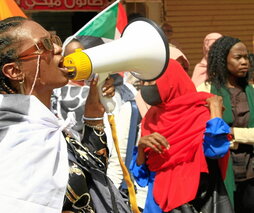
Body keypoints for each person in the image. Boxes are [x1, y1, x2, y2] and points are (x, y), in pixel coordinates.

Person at [0, 16, 131, 213]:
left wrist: (93, 117)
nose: (59, 49)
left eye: (54, 40)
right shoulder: (16, 139)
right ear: (15, 71)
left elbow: (89, 178)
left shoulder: (43, 124)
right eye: (44, 45)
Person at [130, 59, 233, 213]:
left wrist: (216, 111)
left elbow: (216, 151)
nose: (145, 87)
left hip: (193, 203)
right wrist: (141, 148)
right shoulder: (150, 119)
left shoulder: (201, 111)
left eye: (150, 81)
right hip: (156, 205)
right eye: (143, 83)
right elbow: (142, 176)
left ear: (170, 80)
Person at [197, 36, 254, 213]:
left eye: (246, 58)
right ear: (223, 60)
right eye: (238, 58)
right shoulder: (205, 91)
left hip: (250, 173)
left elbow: (221, 134)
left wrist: (231, 133)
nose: (244, 62)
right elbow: (203, 134)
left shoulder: (252, 92)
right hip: (219, 173)